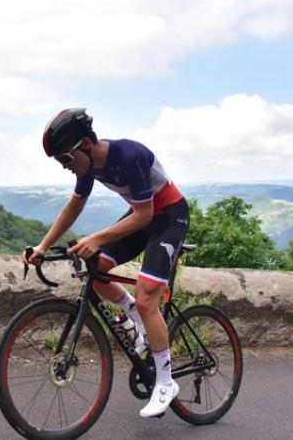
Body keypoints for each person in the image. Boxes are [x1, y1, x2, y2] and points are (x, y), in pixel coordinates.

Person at [21, 108, 190, 418]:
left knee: (147, 296)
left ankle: (166, 382)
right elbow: (74, 205)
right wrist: (43, 246)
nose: (65, 167)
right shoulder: (87, 166)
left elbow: (147, 215)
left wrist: (96, 238)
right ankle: (135, 321)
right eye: (60, 162)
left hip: (168, 217)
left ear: (86, 143)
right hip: (142, 217)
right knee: (95, 270)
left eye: (66, 159)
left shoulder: (129, 156)